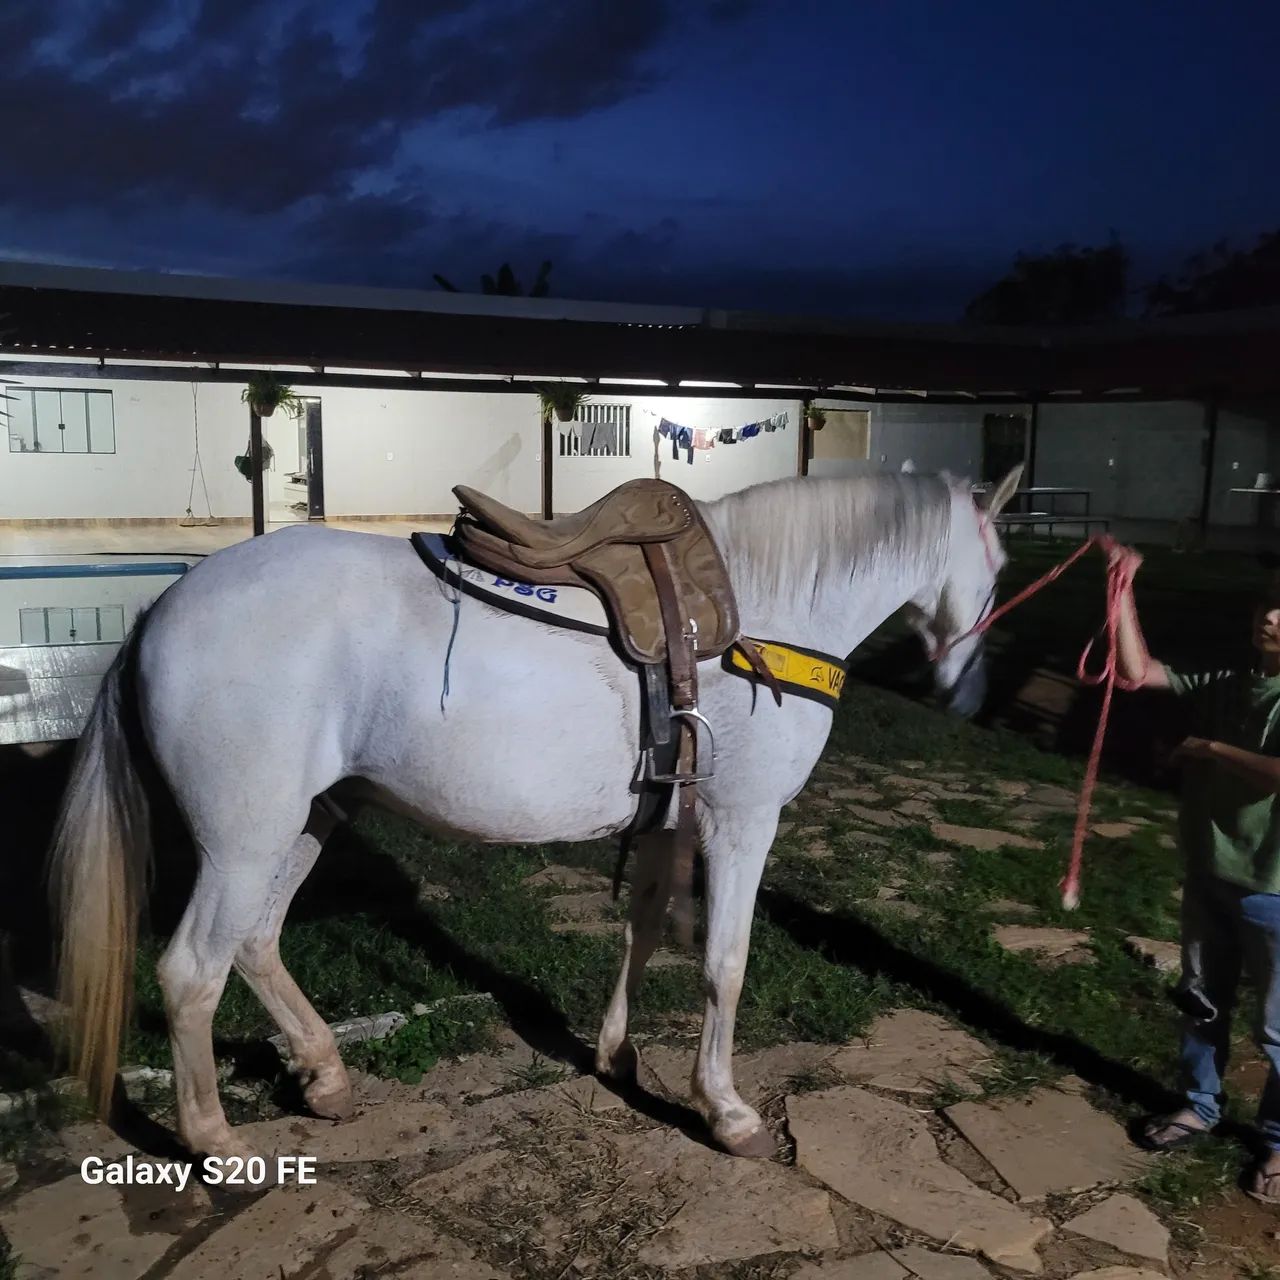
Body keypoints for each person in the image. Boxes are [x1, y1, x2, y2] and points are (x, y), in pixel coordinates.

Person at [1111, 543, 1280, 1203]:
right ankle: (1200, 1105)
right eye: (1268, 604)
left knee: (1277, 1028)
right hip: (1211, 872)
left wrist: (1207, 748)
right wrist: (1121, 588)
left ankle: (1277, 1140)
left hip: (1274, 891)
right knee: (1202, 1000)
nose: (1270, 617)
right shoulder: (1231, 680)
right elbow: (1137, 673)